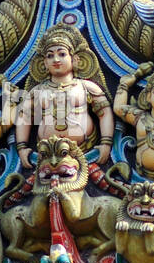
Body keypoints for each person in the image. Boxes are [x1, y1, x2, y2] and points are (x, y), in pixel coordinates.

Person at [15, 25, 113, 169]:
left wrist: (106, 143)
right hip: (47, 156)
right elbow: (24, 117)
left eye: (62, 54)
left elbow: (105, 114)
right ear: (44, 64)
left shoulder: (86, 87)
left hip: (86, 151)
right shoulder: (37, 91)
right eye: (50, 55)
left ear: (75, 59)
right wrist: (22, 147)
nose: (56, 59)